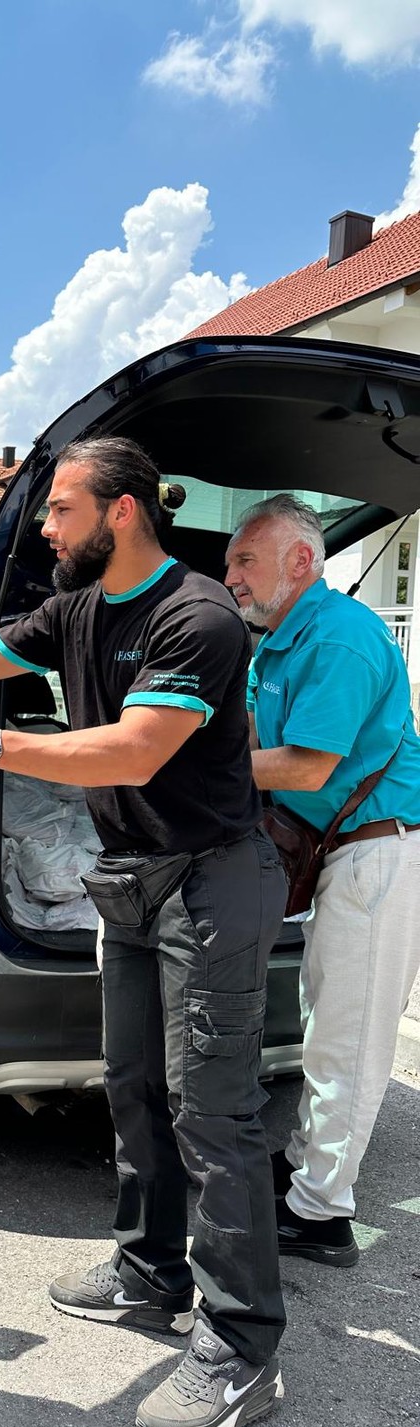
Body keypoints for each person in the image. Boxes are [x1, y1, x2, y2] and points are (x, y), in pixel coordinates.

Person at [0, 436, 288, 1427]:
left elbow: (136, 748)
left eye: (62, 509)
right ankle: (148, 1271)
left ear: (122, 512)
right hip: (130, 883)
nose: (44, 527)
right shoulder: (76, 607)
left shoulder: (196, 615)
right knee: (135, 1087)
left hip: (212, 880)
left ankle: (243, 1347)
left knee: (213, 1112)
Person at [226, 494, 420, 1267]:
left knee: (349, 1037)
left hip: (380, 853)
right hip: (341, 851)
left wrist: (191, 772)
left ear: (301, 561)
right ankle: (309, 1166)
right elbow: (251, 736)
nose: (230, 574)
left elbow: (307, 765)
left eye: (245, 559)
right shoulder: (275, 642)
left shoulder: (340, 638)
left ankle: (322, 1213)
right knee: (323, 1020)